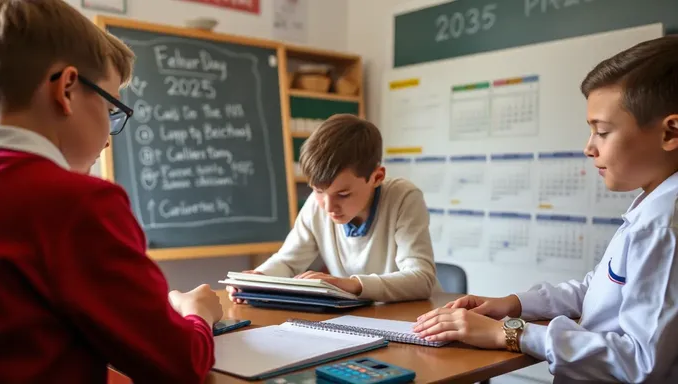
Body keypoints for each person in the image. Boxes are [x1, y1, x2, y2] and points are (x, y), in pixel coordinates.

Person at [413, 36, 678, 383]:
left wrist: (511, 332)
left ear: (670, 132)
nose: (589, 148)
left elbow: (640, 361)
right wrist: (513, 304)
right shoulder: (653, 204)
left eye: (602, 131)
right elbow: (599, 289)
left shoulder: (662, 224)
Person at [0, 1, 223, 383]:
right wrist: (197, 313)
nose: (107, 138)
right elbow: (180, 364)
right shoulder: (78, 202)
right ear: (67, 89)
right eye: (111, 108)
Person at [227, 114, 439, 303]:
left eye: (343, 194)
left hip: (414, 320)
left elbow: (421, 279)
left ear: (377, 177)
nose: (328, 207)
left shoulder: (404, 198)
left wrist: (350, 284)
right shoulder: (316, 205)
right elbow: (288, 262)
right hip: (356, 320)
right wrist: (258, 278)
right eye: (318, 190)